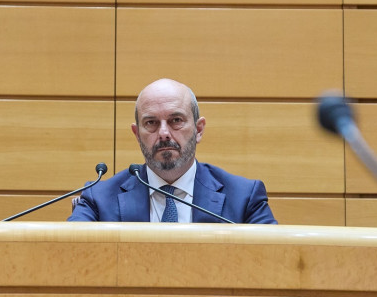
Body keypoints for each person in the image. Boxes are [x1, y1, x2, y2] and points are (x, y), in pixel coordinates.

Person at [68, 78, 277, 224]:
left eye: (176, 120)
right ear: (137, 134)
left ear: (198, 129)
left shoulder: (243, 198)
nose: (164, 133)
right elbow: (68, 257)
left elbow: (276, 261)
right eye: (151, 123)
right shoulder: (99, 198)